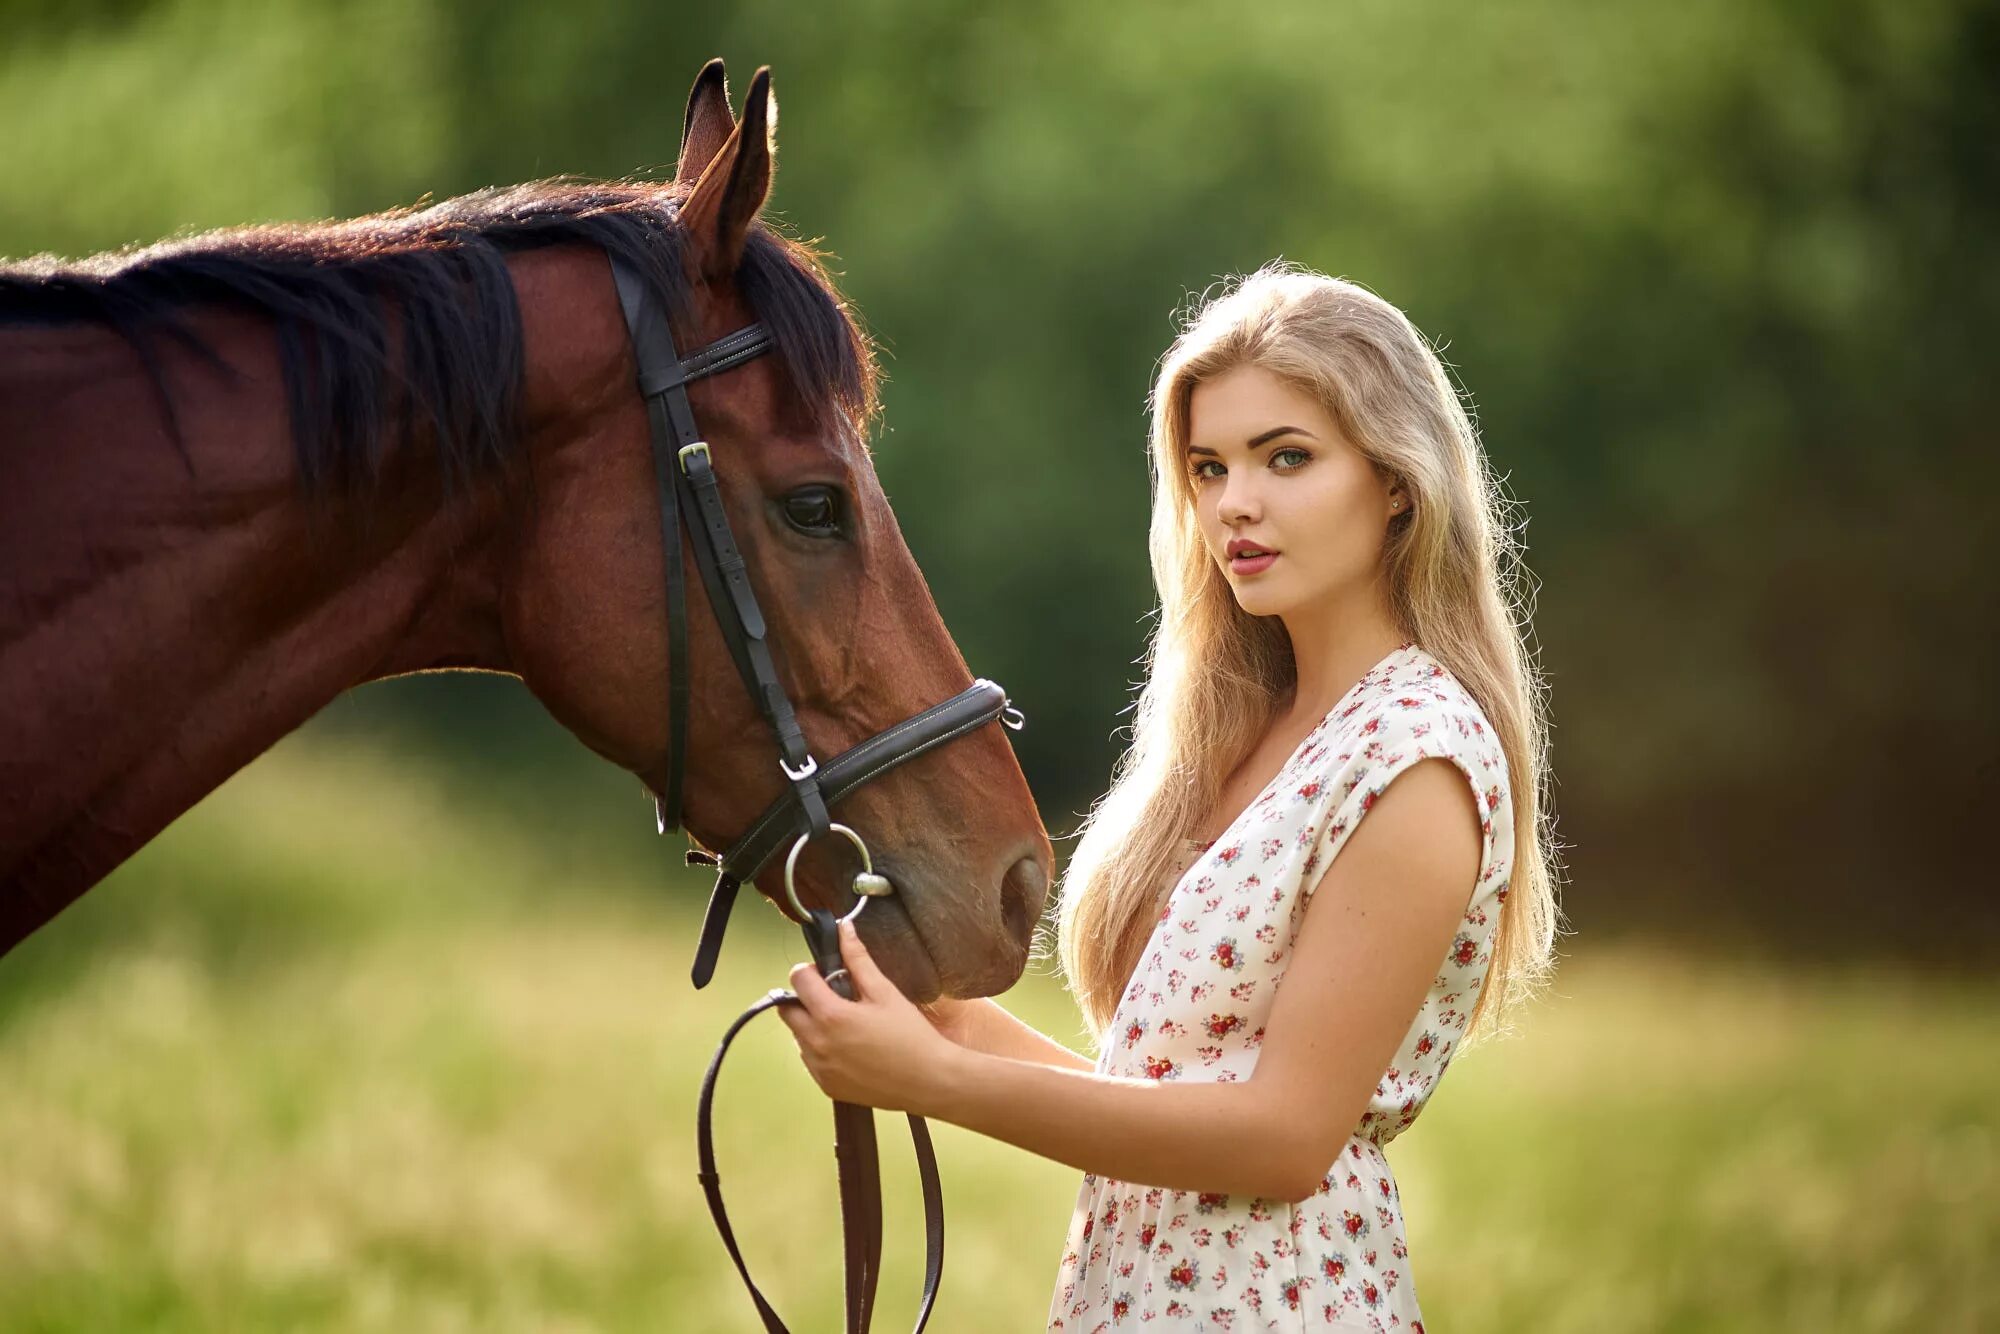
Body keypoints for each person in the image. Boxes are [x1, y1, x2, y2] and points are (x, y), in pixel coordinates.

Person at [776, 259, 1562, 1331]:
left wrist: (936, 1082)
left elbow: (1282, 1138)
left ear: (1393, 480)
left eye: (1285, 458)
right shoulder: (1247, 735)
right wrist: (939, 1020)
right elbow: (1162, 1093)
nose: (1235, 502)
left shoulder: (1414, 756)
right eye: (1207, 466)